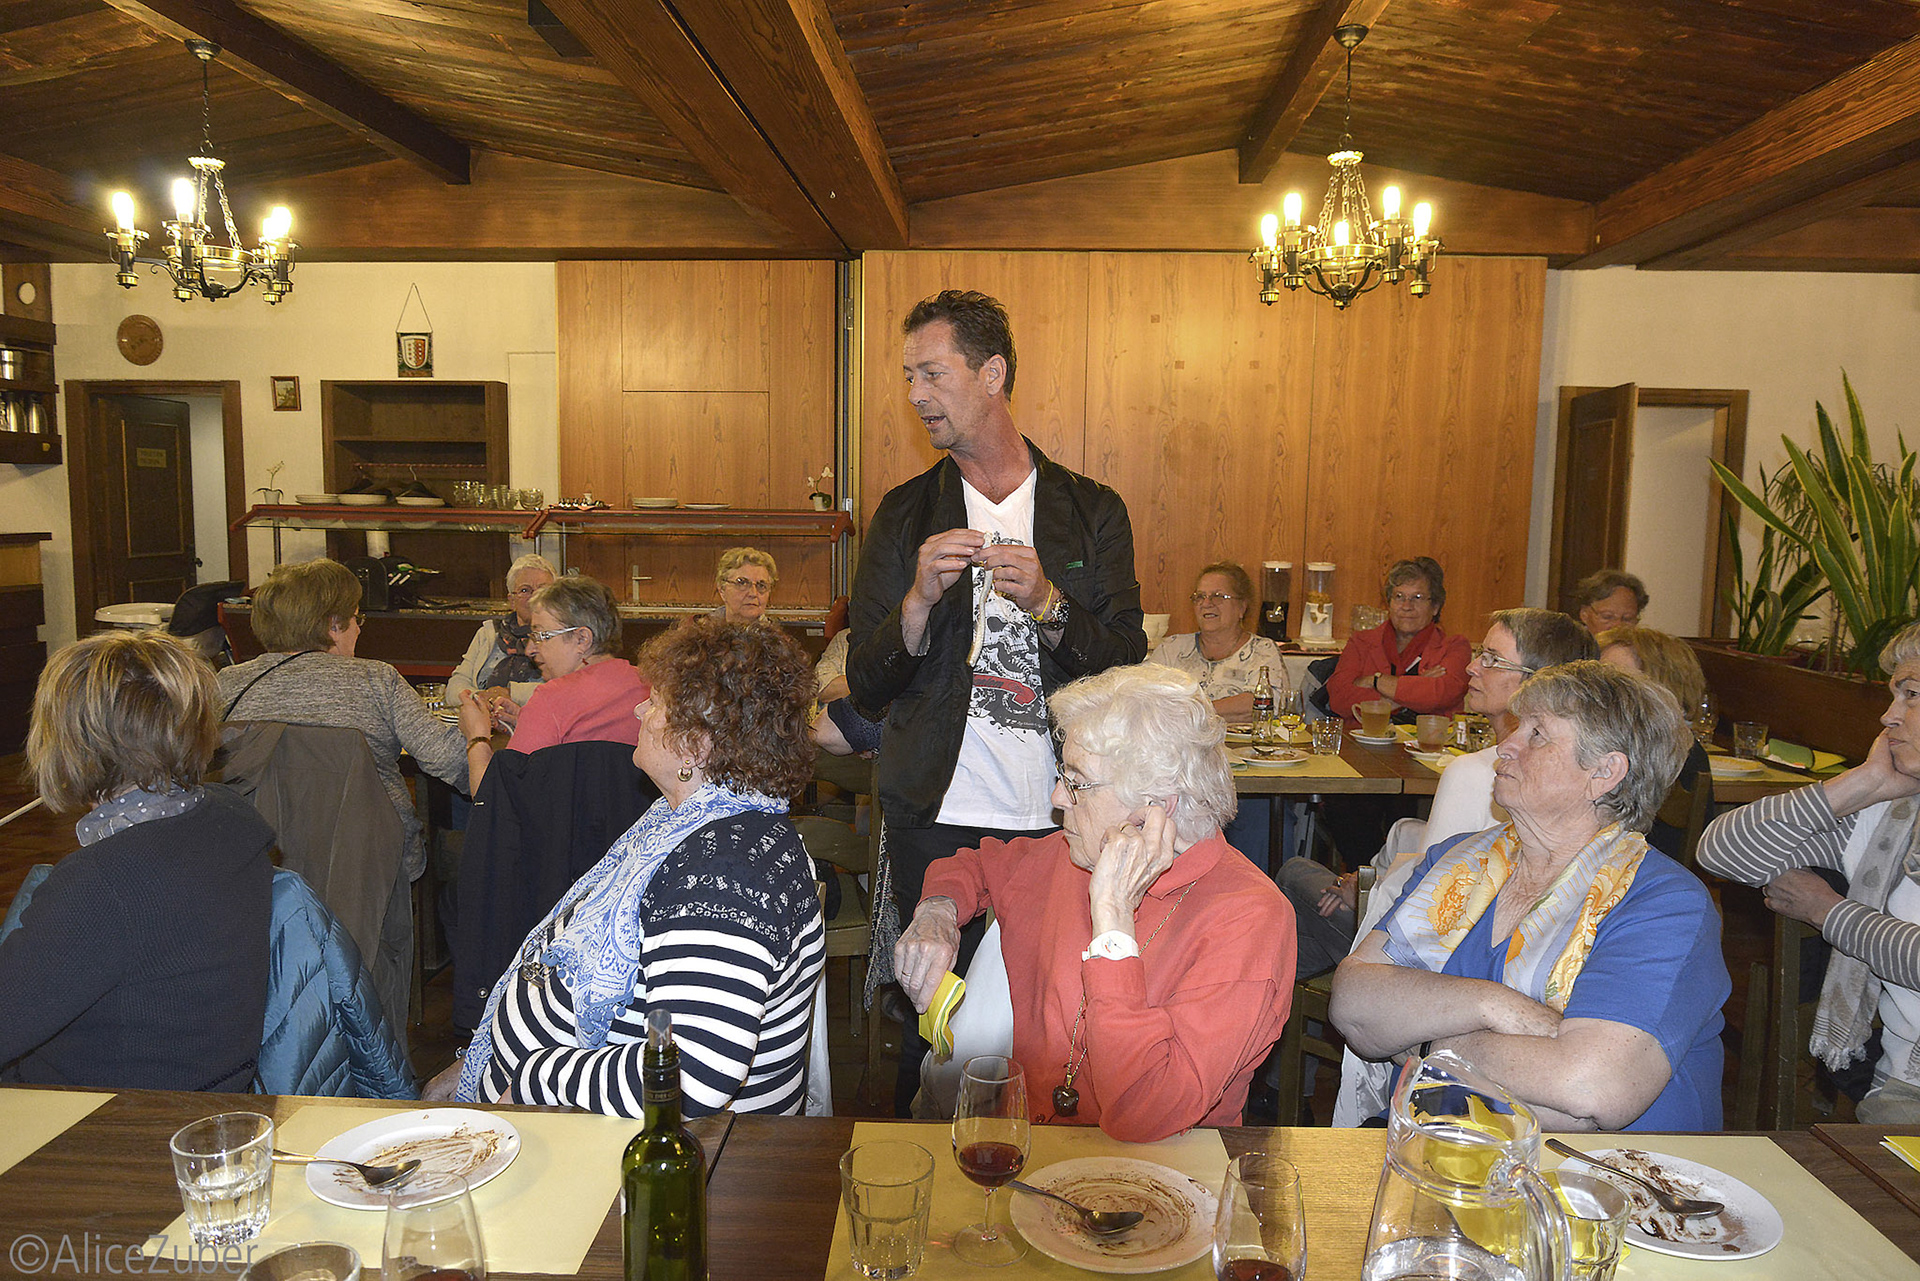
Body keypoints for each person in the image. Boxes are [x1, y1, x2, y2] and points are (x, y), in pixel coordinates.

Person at [846, 289, 1146, 1107]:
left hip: (1062, 815)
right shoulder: (905, 515)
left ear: (993, 374)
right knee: (937, 1022)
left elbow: (1125, 662)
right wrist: (914, 605)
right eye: (908, 376)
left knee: (1054, 1021)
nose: (916, 395)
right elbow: (866, 682)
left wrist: (1051, 603)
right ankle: (929, 1179)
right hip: (934, 813)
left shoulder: (1090, 512)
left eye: (932, 373)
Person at [438, 618, 825, 1116]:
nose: (640, 708)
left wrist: (533, 1077)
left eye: (657, 702)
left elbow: (696, 1075)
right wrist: (482, 1056)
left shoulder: (725, 872)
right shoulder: (690, 820)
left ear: (696, 745)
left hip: (663, 1160)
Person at [892, 663, 1295, 1140]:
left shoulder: (1249, 919)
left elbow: (1146, 1114)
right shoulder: (1069, 854)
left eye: (1077, 781)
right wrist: (936, 911)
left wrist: (1113, 924)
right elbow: (978, 864)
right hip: (1029, 1152)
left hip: (1166, 1175)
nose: (1057, 796)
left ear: (1154, 809)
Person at [1331, 660, 1728, 1130]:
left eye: (1537, 734)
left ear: (1604, 772)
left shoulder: (1664, 905)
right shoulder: (1458, 861)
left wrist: (1427, 1046)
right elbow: (1353, 1005)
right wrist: (1491, 1004)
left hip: (1611, 1180)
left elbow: (1589, 1088)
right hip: (1446, 1141)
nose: (1506, 744)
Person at [1, 631, 275, 1089]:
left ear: (71, 742)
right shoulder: (228, 817)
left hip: (106, 1124)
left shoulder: (106, 887)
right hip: (206, 1097)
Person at [1279, 608, 1596, 978]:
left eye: (1492, 659)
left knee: (1292, 875)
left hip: (1436, 969)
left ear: (1535, 681)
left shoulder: (1480, 772)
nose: (1472, 667)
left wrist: (1372, 887)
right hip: (1533, 962)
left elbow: (1429, 909)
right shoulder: (1580, 774)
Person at [1697, 621, 1920, 1123]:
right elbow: (1722, 851)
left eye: (1911, 695)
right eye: (1893, 695)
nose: (1889, 716)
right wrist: (1864, 783)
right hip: (1902, 1080)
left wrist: (1828, 911)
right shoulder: (1895, 811)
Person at [219, 558, 468, 883]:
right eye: (356, 617)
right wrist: (474, 734)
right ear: (333, 624)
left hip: (260, 864)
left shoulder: (226, 685)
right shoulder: (376, 679)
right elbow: (450, 762)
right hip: (370, 870)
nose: (360, 627)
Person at [459, 575, 647, 792]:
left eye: (541, 635)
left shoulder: (550, 700)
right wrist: (529, 724)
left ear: (581, 639)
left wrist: (477, 737)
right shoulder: (651, 685)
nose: (530, 649)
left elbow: (493, 799)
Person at [1596, 625, 1712, 859]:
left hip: (1633, 875)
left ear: (1661, 687)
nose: (1598, 692)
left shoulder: (1662, 752)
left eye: (1616, 681)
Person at [1326, 557, 1471, 724]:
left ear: (1435, 607)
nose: (1407, 606)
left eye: (1417, 597)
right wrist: (1418, 687)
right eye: (1399, 596)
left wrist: (1375, 680)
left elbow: (1441, 695)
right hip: (1365, 744)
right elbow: (1339, 700)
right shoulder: (1361, 642)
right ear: (1389, 603)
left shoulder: (1455, 647)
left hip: (1429, 746)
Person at [1148, 561, 1287, 720]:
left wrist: (1194, 711)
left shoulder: (1262, 651)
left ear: (1242, 607)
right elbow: (1147, 698)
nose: (1206, 604)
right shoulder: (1171, 649)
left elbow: (1263, 703)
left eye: (1218, 596)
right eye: (1200, 597)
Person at [446, 553, 558, 728]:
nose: (535, 597)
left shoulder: (563, 637)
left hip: (540, 728)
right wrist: (483, 698)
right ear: (511, 601)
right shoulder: (489, 632)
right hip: (484, 727)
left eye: (543, 590)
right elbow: (455, 686)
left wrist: (511, 693)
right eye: (524, 590)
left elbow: (565, 690)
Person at [1573, 568, 1647, 635]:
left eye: (1627, 619)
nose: (1618, 626)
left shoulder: (1645, 648)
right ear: (1584, 614)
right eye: (1607, 617)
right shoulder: (1568, 648)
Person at [713, 547, 777, 624]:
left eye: (761, 585)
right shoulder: (703, 633)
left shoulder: (776, 635)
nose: (753, 593)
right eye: (742, 583)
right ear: (722, 590)